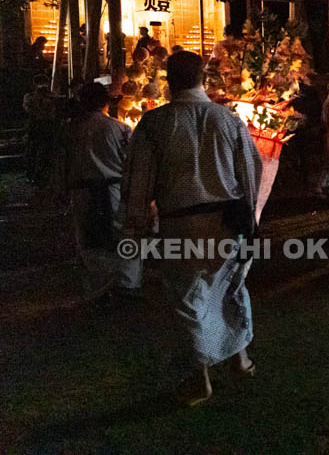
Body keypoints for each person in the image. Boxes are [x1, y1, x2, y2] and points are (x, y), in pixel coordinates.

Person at [121, 50, 261, 406]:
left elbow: (139, 181)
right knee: (230, 288)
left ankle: (200, 378)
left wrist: (135, 225)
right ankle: (240, 362)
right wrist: (251, 215)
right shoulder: (227, 119)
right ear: (204, 77)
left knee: (188, 299)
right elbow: (251, 168)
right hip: (228, 220)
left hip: (180, 223)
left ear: (169, 80)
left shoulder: (154, 124)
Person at [65, 82, 140, 297]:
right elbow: (131, 160)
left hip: (83, 191)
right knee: (123, 235)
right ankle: (127, 283)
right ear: (106, 103)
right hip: (114, 188)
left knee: (89, 236)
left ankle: (99, 285)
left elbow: (63, 162)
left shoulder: (71, 129)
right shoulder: (119, 128)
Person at [23, 73, 58, 187]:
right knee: (33, 150)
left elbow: (55, 107)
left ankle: (44, 175)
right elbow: (29, 109)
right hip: (36, 126)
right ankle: (32, 174)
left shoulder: (51, 96)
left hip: (48, 125)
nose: (43, 87)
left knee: (47, 150)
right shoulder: (30, 96)